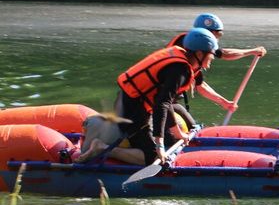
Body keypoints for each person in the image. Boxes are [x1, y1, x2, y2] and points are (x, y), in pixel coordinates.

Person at [78, 28, 235, 165]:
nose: (212, 59)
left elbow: (165, 103)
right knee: (152, 157)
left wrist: (178, 134)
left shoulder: (181, 61)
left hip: (132, 102)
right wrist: (159, 145)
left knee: (161, 136)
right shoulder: (180, 70)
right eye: (211, 55)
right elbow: (162, 104)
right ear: (200, 54)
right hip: (131, 108)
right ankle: (102, 148)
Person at [168, 13, 266, 125]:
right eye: (215, 36)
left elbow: (200, 86)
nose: (216, 41)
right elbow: (224, 54)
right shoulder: (189, 47)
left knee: (192, 127)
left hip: (169, 101)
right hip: (161, 101)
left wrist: (224, 102)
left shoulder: (195, 52)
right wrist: (251, 51)